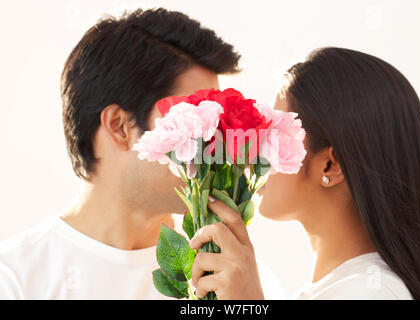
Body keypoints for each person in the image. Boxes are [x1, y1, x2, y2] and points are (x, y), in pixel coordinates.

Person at [0, 8, 241, 299]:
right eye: (195, 120)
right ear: (119, 127)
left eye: (216, 121)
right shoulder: (15, 280)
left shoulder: (229, 279)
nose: (216, 144)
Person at [189, 47, 420, 300]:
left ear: (330, 166)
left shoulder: (370, 292)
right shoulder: (335, 289)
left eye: (274, 136)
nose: (254, 149)